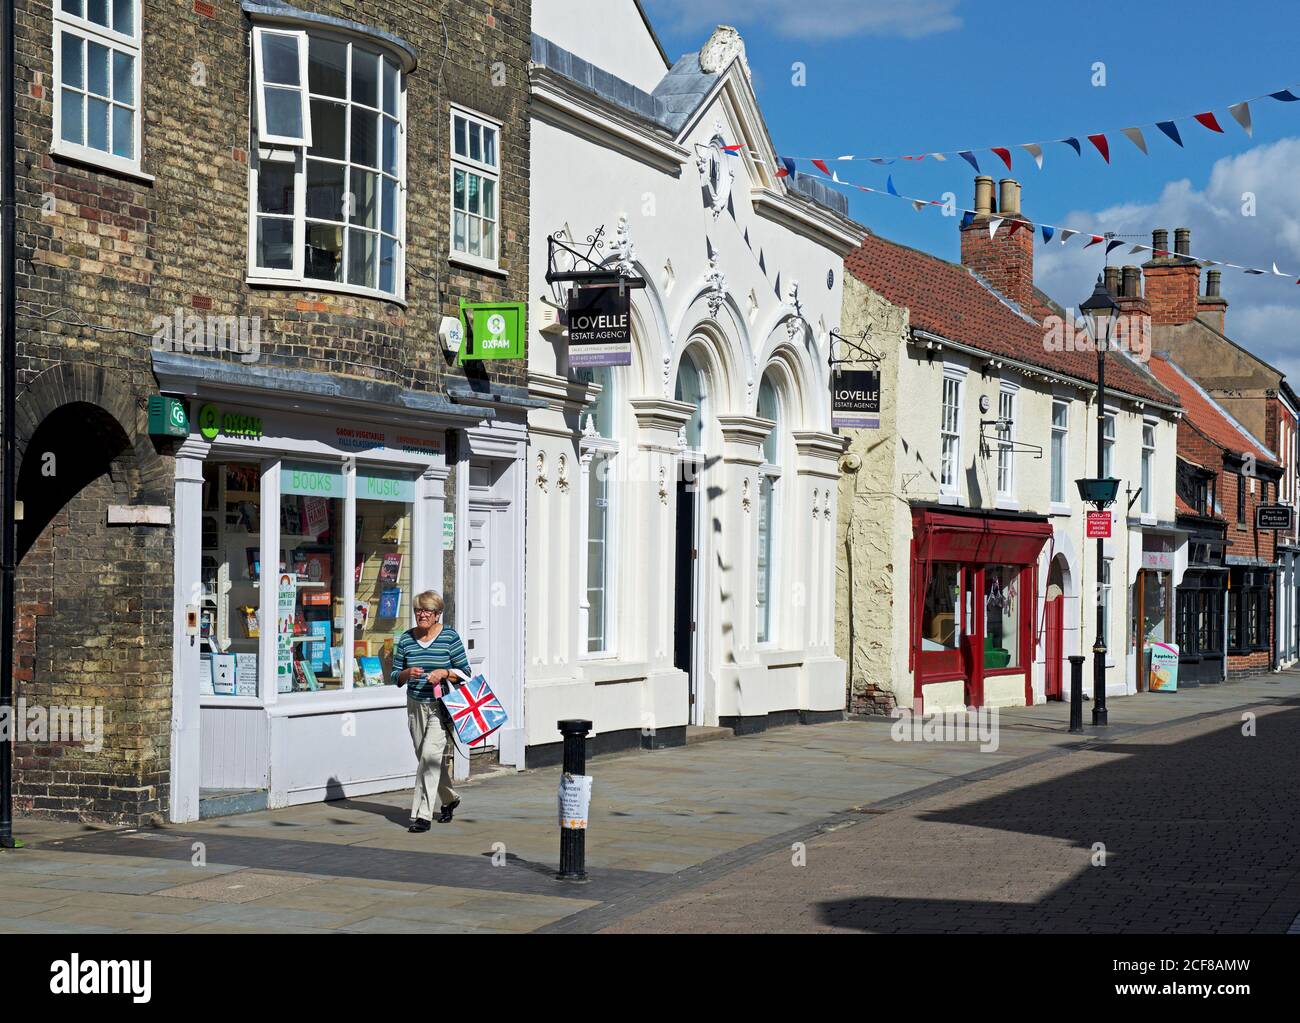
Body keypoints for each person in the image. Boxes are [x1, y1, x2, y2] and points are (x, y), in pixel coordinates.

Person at [391, 590, 471, 832]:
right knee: (427, 760)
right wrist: (407, 673)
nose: (422, 615)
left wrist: (444, 673)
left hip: (441, 707)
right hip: (415, 706)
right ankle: (449, 799)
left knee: (429, 757)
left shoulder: (449, 637)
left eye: (427, 611)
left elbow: (466, 672)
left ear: (438, 614)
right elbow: (395, 676)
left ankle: (422, 816)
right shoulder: (406, 639)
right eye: (418, 610)